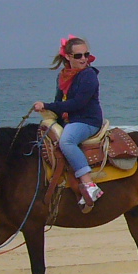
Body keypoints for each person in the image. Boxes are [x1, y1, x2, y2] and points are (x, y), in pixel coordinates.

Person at [34, 35, 105, 211]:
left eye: (86, 54)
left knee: (67, 141)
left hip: (87, 120)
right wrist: (48, 112)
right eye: (79, 56)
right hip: (70, 119)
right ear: (68, 57)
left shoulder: (89, 76)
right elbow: (59, 102)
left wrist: (47, 106)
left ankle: (89, 184)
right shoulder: (63, 76)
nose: (84, 59)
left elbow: (77, 103)